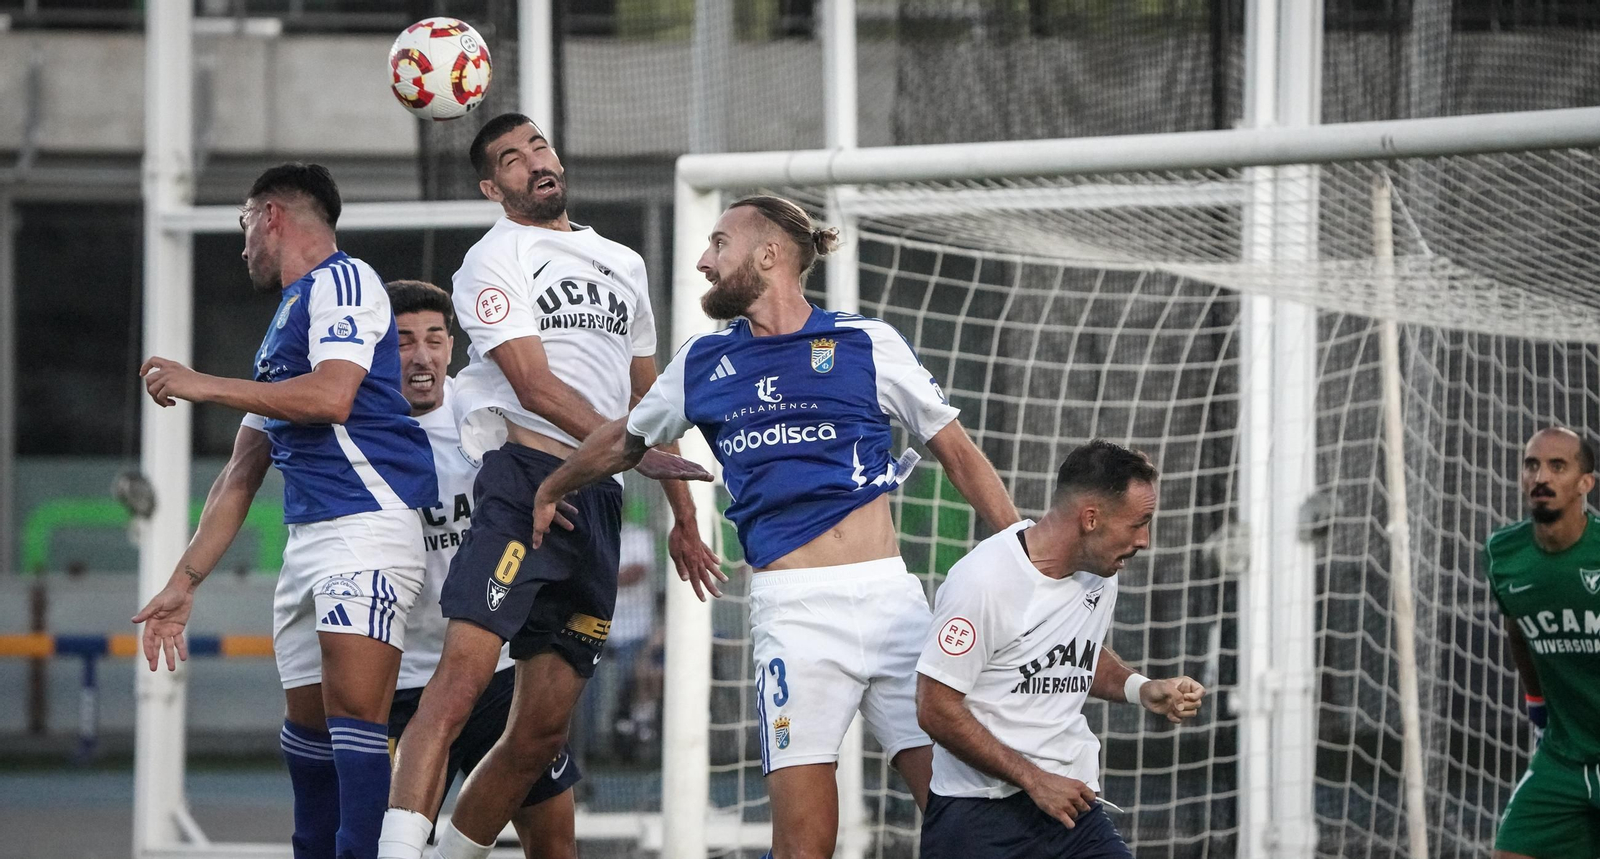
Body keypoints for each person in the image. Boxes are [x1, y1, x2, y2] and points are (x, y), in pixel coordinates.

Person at [529, 195, 1021, 859]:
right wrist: (551, 487)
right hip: (794, 616)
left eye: (718, 244)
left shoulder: (866, 343)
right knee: (803, 846)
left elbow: (957, 452)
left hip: (894, 606)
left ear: (768, 256)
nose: (703, 260)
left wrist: (1022, 555)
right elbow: (624, 438)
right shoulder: (702, 363)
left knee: (962, 816)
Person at [378, 114, 720, 859]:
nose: (532, 161)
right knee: (461, 683)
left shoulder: (623, 263)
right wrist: (630, 445)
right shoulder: (490, 259)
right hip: (525, 486)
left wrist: (684, 518)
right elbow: (532, 385)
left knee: (537, 733)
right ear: (490, 185)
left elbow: (650, 400)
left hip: (597, 499)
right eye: (510, 157)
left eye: (537, 146)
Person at [133, 163, 437, 859]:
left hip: (366, 527)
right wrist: (184, 582)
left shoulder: (345, 280)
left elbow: (333, 397)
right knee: (307, 745)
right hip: (307, 543)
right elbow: (241, 472)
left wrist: (203, 384)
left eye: (244, 226)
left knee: (358, 723)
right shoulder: (283, 325)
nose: (243, 245)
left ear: (271, 215)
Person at [915, 439, 1206, 859]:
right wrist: (1034, 780)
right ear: (1091, 518)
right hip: (979, 818)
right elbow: (934, 707)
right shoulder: (983, 583)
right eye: (1139, 522)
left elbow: (1072, 651)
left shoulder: (1101, 573)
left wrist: (1141, 688)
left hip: (1072, 810)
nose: (1145, 540)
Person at [384, 279, 581, 858]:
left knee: (555, 843)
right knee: (389, 842)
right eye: (401, 342)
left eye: (433, 339)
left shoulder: (487, 421)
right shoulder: (360, 437)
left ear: (452, 346)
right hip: (398, 682)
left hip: (493, 672)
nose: (421, 356)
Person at [1483, 427, 1600, 859]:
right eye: (1531, 464)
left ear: (1585, 483)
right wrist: (1536, 702)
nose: (1540, 476)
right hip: (1562, 758)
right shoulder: (1502, 553)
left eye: (1557, 465)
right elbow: (1518, 629)